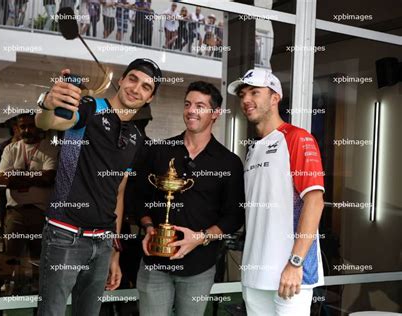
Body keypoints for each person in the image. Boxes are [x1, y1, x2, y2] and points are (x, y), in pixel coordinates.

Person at [34, 58, 162, 315]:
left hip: (103, 242)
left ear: (149, 98)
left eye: (146, 87)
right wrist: (48, 104)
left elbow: (120, 192)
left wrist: (114, 250)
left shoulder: (137, 137)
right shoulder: (90, 107)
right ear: (122, 80)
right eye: (133, 79)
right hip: (64, 234)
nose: (136, 89)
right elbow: (51, 122)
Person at [135, 81, 245, 316]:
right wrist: (148, 227)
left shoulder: (229, 162)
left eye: (200, 105)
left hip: (199, 267)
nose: (191, 110)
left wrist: (200, 238)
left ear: (215, 113)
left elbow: (234, 217)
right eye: (188, 104)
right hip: (155, 263)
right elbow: (139, 198)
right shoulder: (159, 151)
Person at [227, 68, 325, 315]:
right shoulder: (253, 149)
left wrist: (295, 263)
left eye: (254, 92)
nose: (246, 99)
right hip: (254, 273)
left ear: (274, 98)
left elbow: (315, 202)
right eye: (242, 94)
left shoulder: (297, 138)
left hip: (290, 275)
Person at [0, 113, 58, 294]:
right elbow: (0, 179)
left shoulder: (50, 148)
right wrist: (33, 177)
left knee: (39, 258)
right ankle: (9, 293)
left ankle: (39, 293)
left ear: (39, 127)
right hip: (15, 212)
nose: (26, 130)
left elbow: (48, 177)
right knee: (11, 258)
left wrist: (16, 176)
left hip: (40, 212)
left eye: (30, 126)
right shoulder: (11, 149)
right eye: (22, 127)